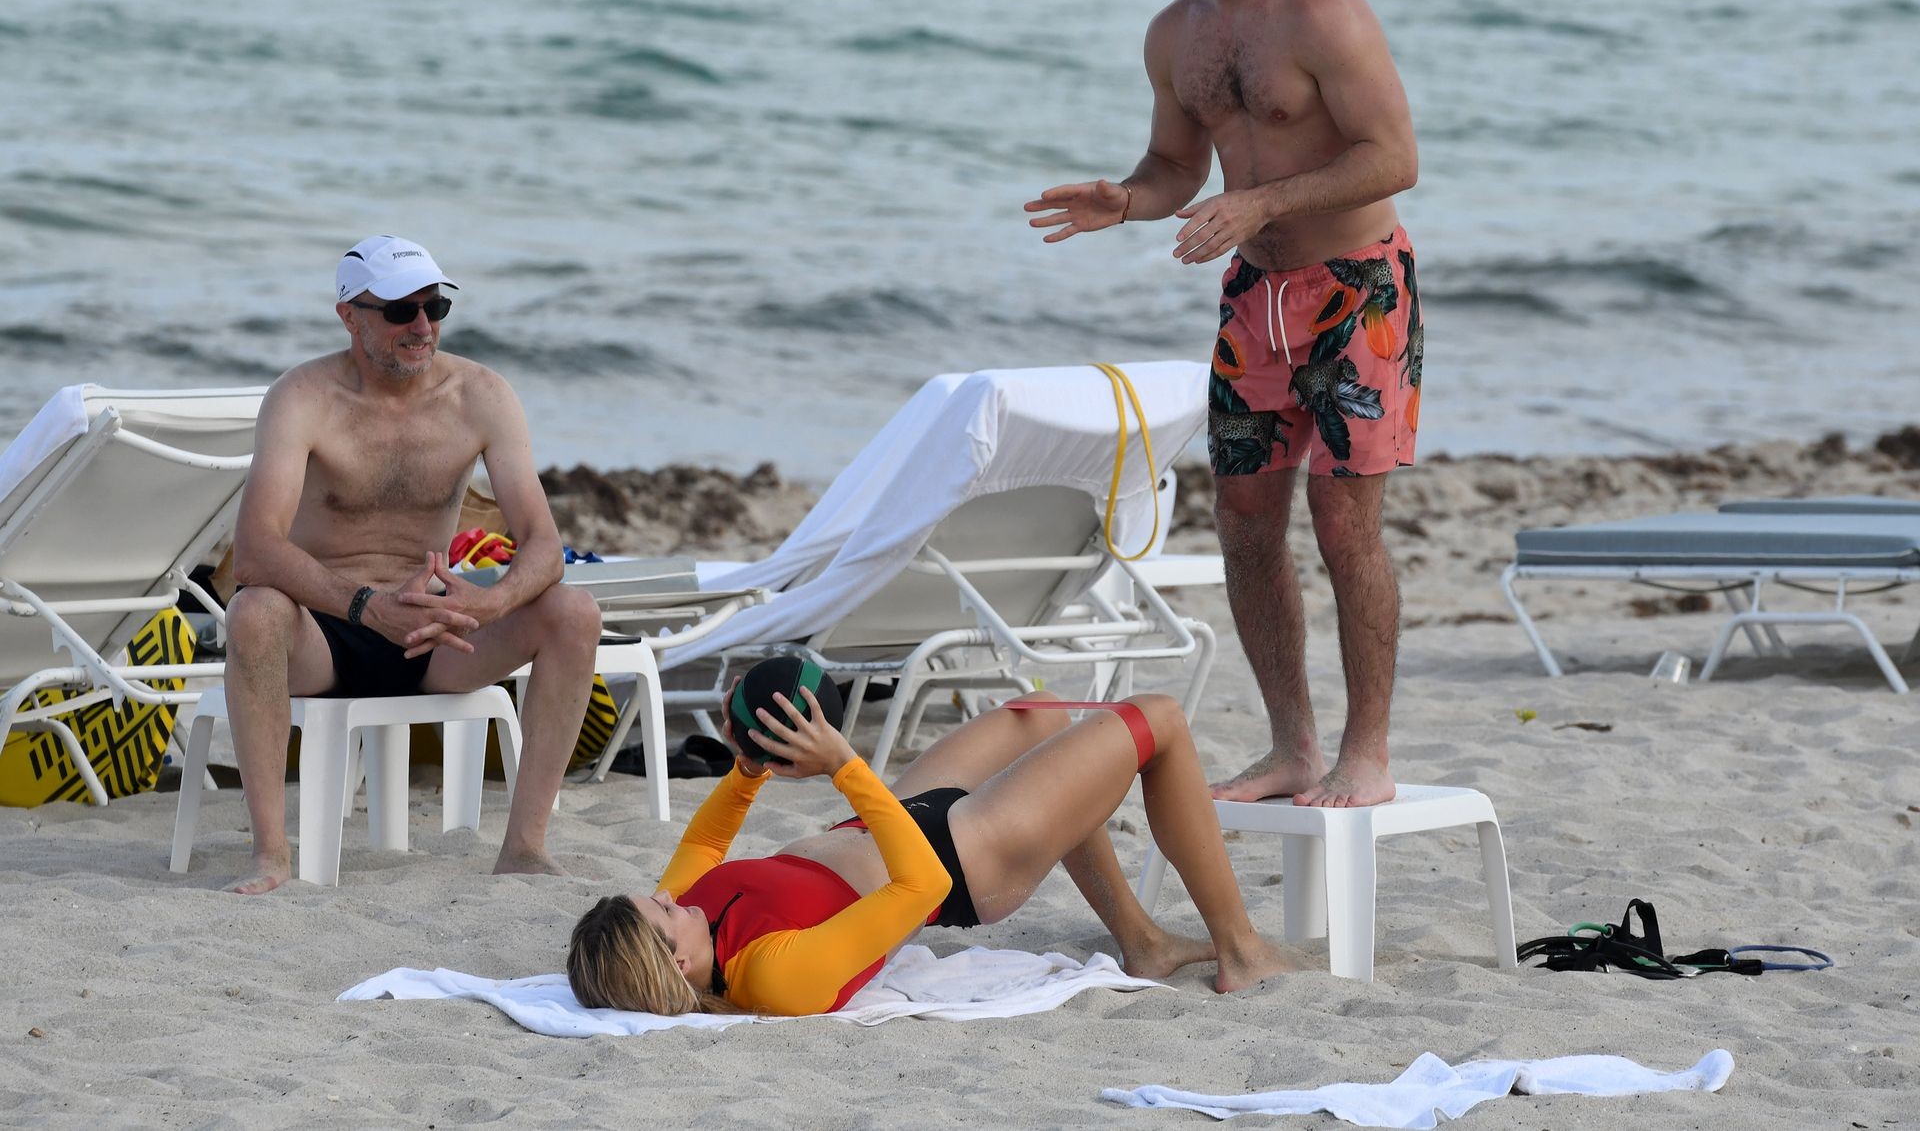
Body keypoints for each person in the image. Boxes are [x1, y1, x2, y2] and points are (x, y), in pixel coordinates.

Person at [1023, 0, 1421, 808]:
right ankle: (1293, 747)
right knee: (1244, 523)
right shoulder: (1175, 35)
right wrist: (1125, 200)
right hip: (1255, 299)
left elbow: (1393, 158)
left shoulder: (1322, 11)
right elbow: (1174, 165)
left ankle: (1366, 754)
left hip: (1356, 290)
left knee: (1345, 525)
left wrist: (1263, 202)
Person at [221, 235, 601, 893]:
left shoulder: (480, 395)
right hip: (324, 632)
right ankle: (271, 854)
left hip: (433, 634)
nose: (422, 326)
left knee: (574, 613)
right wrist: (368, 607)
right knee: (253, 612)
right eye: (400, 311)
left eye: (435, 307)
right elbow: (255, 549)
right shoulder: (303, 397)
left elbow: (544, 545)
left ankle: (524, 847)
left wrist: (491, 601)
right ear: (350, 316)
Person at [567, 688, 1292, 1016]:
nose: (669, 894)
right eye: (662, 911)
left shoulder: (692, 913)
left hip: (889, 823)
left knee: (1037, 714)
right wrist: (844, 765)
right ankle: (1241, 951)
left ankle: (1144, 944)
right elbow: (920, 886)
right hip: (967, 858)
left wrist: (748, 768)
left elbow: (704, 841)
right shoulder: (773, 977)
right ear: (677, 965)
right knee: (1158, 718)